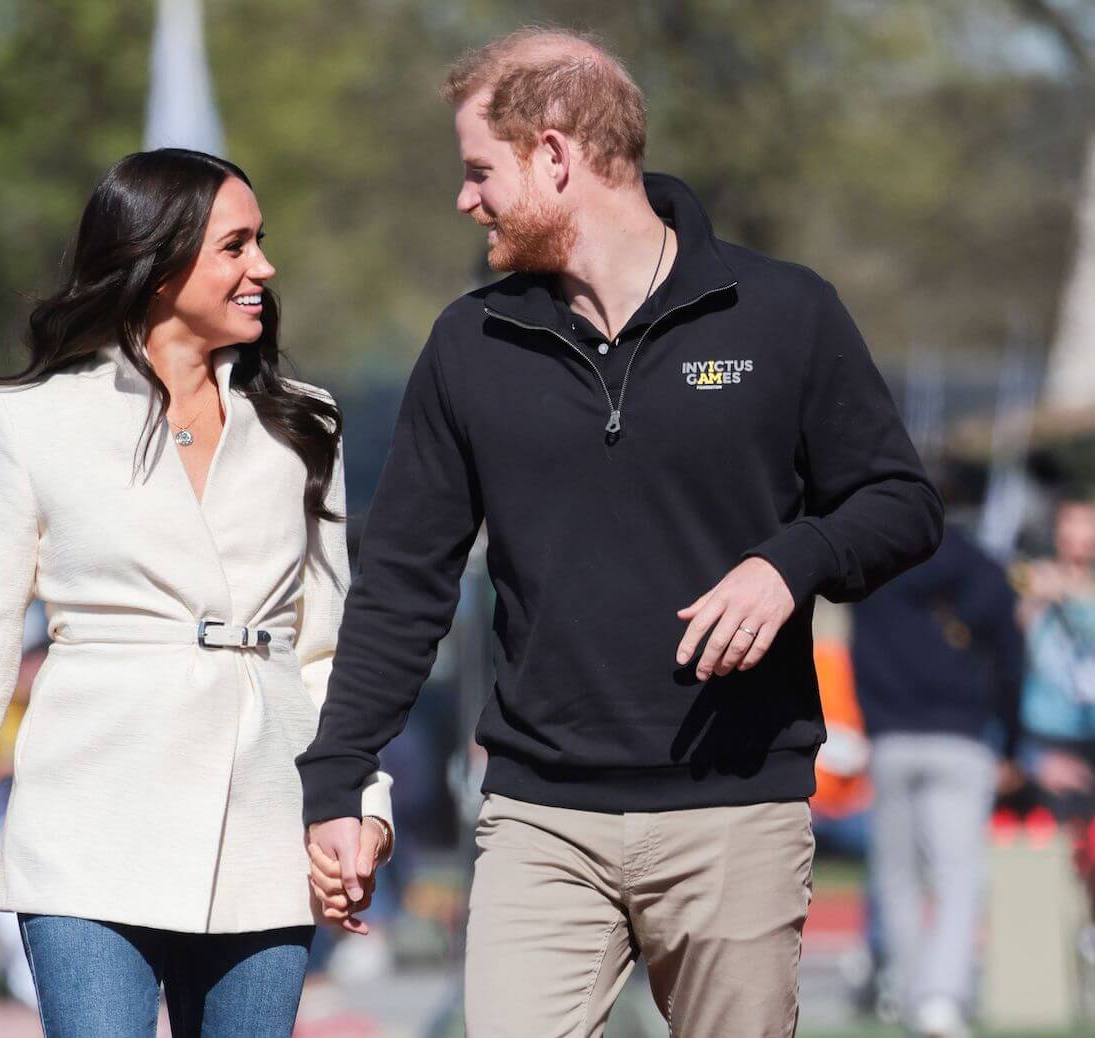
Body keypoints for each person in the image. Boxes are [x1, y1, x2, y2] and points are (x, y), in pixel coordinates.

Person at [296, 27, 942, 1037]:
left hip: (738, 809)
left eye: (479, 170)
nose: (466, 199)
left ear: (555, 155)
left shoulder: (784, 313)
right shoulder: (470, 344)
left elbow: (900, 503)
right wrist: (338, 776)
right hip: (538, 819)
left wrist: (790, 562)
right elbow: (403, 584)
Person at [0, 149, 394, 1038]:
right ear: (159, 266)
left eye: (260, 242)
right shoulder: (30, 421)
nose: (263, 267)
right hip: (86, 830)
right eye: (236, 246)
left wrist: (361, 811)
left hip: (266, 830)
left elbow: (328, 651)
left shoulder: (305, 423)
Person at [852, 522, 1024, 1038]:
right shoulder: (984, 568)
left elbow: (858, 652)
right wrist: (1011, 743)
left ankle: (906, 996)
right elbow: (1011, 660)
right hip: (962, 739)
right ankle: (940, 1000)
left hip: (891, 737)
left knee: (895, 877)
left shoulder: (876, 566)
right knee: (957, 877)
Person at [1017, 495, 1095, 947]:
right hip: (1047, 733)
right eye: (1072, 527)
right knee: (1058, 844)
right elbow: (1012, 642)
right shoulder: (1037, 582)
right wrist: (1039, 600)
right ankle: (1056, 934)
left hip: (1088, 731)